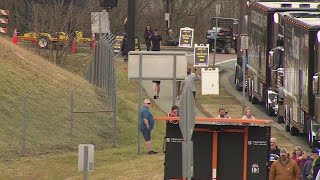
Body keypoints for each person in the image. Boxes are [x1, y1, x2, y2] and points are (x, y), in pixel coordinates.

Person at [151, 29, 162, 99]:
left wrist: (160, 46)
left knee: (156, 83)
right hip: (157, 73)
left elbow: (160, 41)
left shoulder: (159, 37)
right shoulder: (152, 37)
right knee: (156, 83)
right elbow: (151, 41)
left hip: (156, 72)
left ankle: (156, 93)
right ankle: (156, 94)